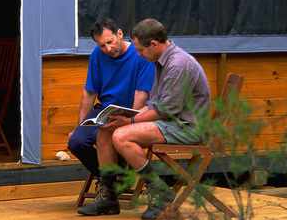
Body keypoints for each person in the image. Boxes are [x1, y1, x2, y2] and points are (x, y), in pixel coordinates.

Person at [77, 18, 210, 219]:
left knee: (122, 135)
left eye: (141, 50)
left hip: (185, 127)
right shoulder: (161, 61)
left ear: (154, 45)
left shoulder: (177, 64)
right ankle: (108, 197)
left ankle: (159, 191)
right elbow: (154, 104)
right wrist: (124, 116)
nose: (138, 54)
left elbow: (165, 110)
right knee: (107, 129)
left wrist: (129, 121)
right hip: (169, 121)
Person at [69, 18, 154, 210]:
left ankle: (107, 191)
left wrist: (129, 122)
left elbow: (141, 94)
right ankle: (115, 180)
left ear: (120, 34)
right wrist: (79, 126)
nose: (107, 48)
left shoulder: (140, 54)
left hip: (129, 112)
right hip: (104, 110)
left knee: (107, 134)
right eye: (102, 45)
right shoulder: (97, 56)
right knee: (76, 142)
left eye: (110, 42)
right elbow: (89, 92)